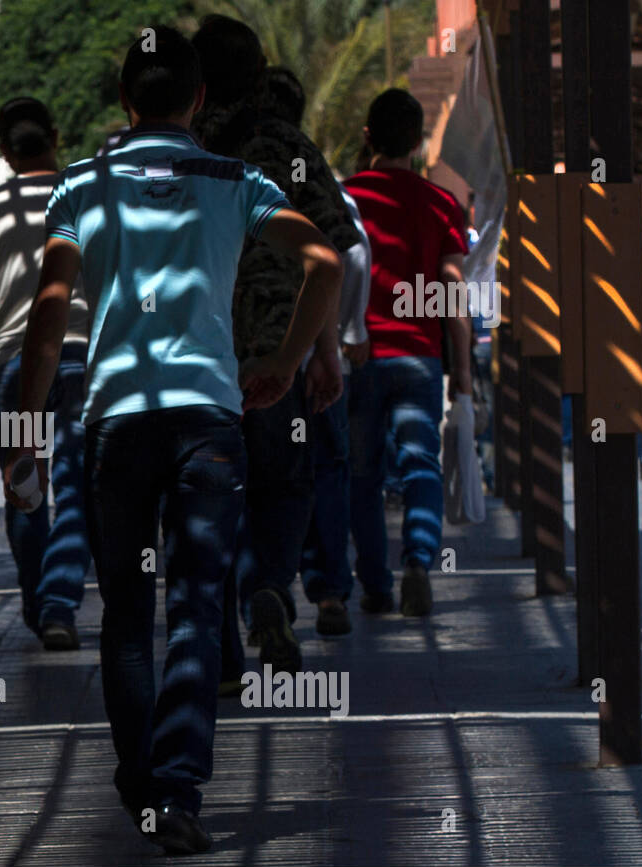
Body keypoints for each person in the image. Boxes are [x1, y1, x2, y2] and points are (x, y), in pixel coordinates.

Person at [9, 26, 341, 854]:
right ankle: (180, 785)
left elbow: (51, 313)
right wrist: (285, 361)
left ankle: (141, 780)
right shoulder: (237, 180)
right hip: (209, 421)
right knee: (196, 602)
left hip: (117, 421)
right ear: (199, 101)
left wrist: (23, 427)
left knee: (125, 609)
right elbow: (326, 263)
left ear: (125, 102)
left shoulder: (82, 185)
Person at [191, 15, 362, 671]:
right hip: (273, 356)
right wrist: (320, 352)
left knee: (206, 500)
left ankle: (224, 647)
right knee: (285, 485)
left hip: (195, 360)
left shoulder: (173, 149)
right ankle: (270, 589)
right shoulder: (287, 146)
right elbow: (327, 255)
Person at [0, 97, 92, 650]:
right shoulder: (83, 198)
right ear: (56, 135)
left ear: (5, 150)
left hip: (12, 366)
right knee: (77, 488)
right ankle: (61, 603)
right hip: (82, 360)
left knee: (26, 486)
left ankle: (39, 605)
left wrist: (1, 315)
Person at [344, 89, 473, 616]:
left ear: (367, 136)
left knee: (362, 474)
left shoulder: (344, 199)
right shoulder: (441, 204)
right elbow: (452, 292)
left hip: (358, 356)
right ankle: (419, 559)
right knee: (422, 463)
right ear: (419, 144)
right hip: (420, 357)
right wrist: (462, 376)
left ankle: (375, 583)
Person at [258, 65, 372, 636]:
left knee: (235, 486)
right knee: (321, 475)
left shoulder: (209, 165)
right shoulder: (315, 179)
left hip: (223, 368)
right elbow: (343, 257)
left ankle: (255, 596)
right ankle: (323, 592)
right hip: (300, 367)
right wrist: (337, 342)